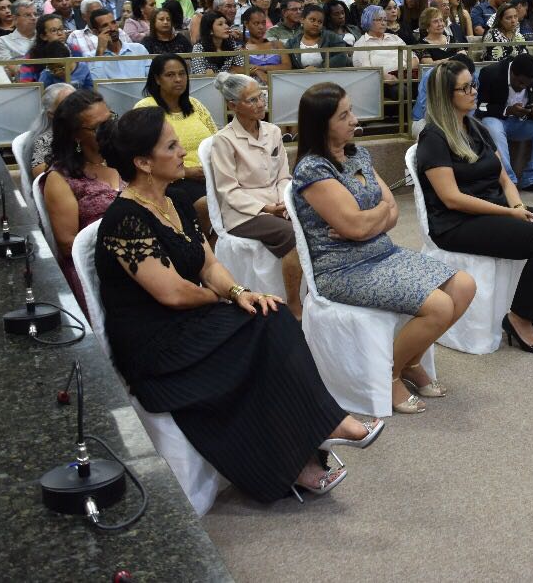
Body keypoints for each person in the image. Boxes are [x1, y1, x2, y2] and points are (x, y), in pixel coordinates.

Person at [95, 107, 378, 500]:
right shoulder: (125, 220)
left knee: (271, 312)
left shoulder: (174, 201)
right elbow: (173, 293)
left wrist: (240, 292)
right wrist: (223, 299)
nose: (183, 153)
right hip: (156, 346)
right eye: (172, 146)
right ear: (143, 162)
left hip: (190, 318)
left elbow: (208, 264)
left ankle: (311, 441)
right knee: (261, 335)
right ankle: (315, 436)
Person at [293, 83, 474, 412]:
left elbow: (390, 212)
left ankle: (410, 361)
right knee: (438, 306)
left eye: (351, 111)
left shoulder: (357, 154)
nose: (354, 119)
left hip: (382, 252)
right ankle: (388, 374)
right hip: (341, 268)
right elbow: (361, 224)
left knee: (464, 286)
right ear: (321, 124)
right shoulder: (313, 169)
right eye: (343, 115)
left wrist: (367, 220)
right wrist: (371, 218)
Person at [417, 61, 533, 353]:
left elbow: (503, 177)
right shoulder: (433, 137)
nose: (474, 91)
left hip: (494, 207)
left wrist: (517, 203)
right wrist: (510, 213)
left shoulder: (475, 127)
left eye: (473, 84)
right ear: (446, 95)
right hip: (456, 222)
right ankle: (519, 317)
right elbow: (451, 198)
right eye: (465, 88)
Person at [209, 72, 302, 314]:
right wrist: (266, 208)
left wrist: (283, 201)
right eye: (252, 100)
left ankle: (313, 290)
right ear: (233, 106)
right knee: (292, 234)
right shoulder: (224, 140)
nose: (260, 104)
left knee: (316, 220)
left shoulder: (273, 131)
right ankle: (294, 304)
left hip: (276, 204)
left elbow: (283, 176)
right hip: (243, 214)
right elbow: (228, 190)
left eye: (261, 97)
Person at [42, 91, 121, 318]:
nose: (109, 130)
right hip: (98, 269)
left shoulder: (125, 158)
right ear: (76, 135)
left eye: (111, 120)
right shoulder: (61, 178)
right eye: (99, 127)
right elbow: (69, 245)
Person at [134, 53, 217, 224]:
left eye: (182, 74)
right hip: (170, 180)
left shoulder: (195, 105)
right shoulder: (146, 109)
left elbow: (216, 141)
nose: (178, 79)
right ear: (157, 79)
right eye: (170, 75)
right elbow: (143, 155)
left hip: (209, 175)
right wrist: (187, 172)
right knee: (209, 204)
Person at [474, 54, 533, 194]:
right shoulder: (490, 73)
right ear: (512, 72)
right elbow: (480, 107)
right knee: (491, 124)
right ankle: (508, 180)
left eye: (527, 85)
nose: (522, 87)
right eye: (520, 83)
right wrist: (507, 110)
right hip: (499, 120)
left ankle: (532, 178)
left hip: (523, 122)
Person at [68, 7, 149, 81]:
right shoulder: (90, 58)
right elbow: (96, 84)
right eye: (105, 25)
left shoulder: (139, 49)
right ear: (96, 32)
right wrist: (100, 53)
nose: (112, 28)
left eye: (113, 23)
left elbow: (151, 78)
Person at [26, 82, 75, 178]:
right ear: (52, 114)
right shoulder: (45, 139)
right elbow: (40, 173)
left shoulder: (82, 130)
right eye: (67, 106)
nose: (76, 109)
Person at [354, 4, 414, 80]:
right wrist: (385, 77)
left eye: (385, 20)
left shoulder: (395, 38)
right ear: (368, 21)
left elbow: (413, 58)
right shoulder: (361, 44)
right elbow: (366, 70)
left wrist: (406, 73)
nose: (383, 23)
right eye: (379, 20)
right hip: (381, 82)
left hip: (406, 78)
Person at [288, 5, 351, 70]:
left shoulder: (331, 37)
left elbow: (342, 56)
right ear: (302, 20)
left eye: (320, 22)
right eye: (312, 20)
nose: (316, 24)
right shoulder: (292, 43)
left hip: (330, 75)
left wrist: (318, 69)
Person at [242, 8, 289, 83]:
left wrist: (262, 68)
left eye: (263, 23)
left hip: (280, 84)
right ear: (246, 24)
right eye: (256, 23)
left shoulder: (277, 44)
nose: (261, 27)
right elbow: (238, 69)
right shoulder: (242, 49)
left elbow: (287, 66)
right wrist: (257, 71)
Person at [191, 11, 243, 76]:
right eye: (220, 24)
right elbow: (200, 74)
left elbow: (240, 69)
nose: (226, 27)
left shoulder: (231, 43)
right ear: (210, 30)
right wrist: (229, 73)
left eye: (226, 23)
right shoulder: (198, 48)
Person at [0, 0, 38, 71]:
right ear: (15, 19)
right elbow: (10, 68)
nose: (33, 18)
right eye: (27, 15)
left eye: (35, 14)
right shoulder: (4, 42)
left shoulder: (46, 37)